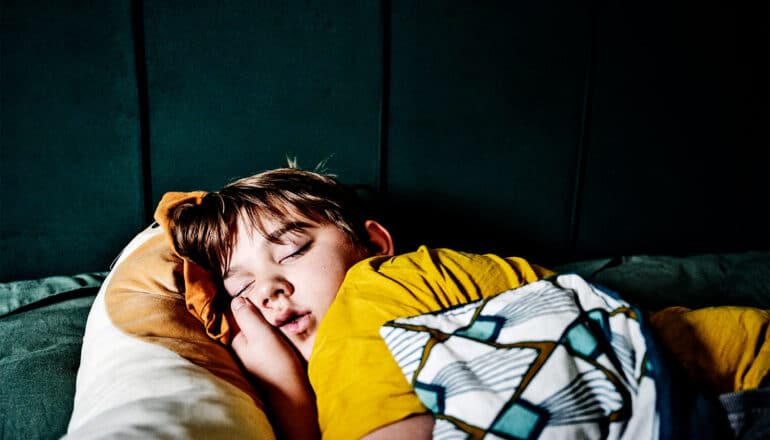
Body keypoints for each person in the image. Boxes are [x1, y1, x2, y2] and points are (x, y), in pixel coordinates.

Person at [166, 166, 768, 439]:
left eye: (293, 249)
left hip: (734, 374)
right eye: (238, 286)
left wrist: (292, 406)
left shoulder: (377, 288)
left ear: (371, 242)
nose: (269, 288)